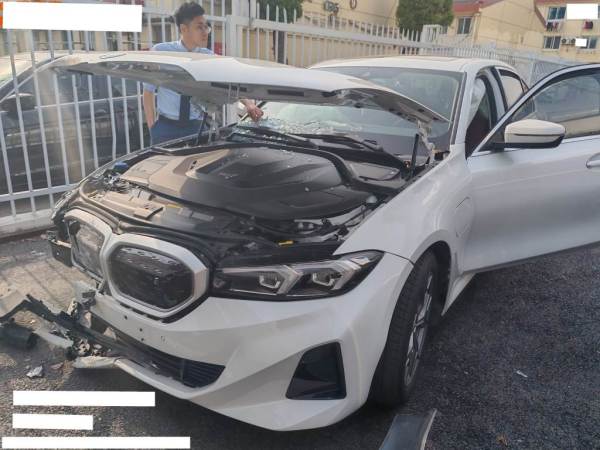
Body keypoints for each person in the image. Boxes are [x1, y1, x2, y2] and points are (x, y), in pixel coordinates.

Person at [143, 1, 263, 145]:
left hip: (196, 127)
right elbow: (148, 92)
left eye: (206, 27)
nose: (205, 32)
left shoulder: (208, 57)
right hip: (166, 128)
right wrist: (153, 128)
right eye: (199, 27)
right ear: (184, 28)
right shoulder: (161, 52)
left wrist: (248, 104)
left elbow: (228, 79)